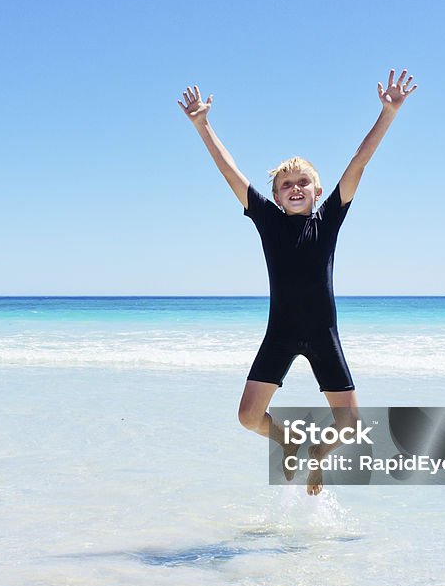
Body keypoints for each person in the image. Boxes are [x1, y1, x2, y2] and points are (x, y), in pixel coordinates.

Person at [178, 69, 417, 495]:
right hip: (281, 333)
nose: (294, 187)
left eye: (302, 182)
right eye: (285, 183)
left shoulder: (329, 220)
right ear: (274, 194)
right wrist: (203, 126)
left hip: (323, 334)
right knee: (249, 417)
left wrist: (388, 114)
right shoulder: (268, 220)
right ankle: (285, 438)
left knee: (349, 426)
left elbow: (359, 160)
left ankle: (316, 458)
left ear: (318, 189)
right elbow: (230, 172)